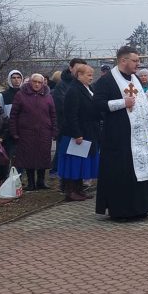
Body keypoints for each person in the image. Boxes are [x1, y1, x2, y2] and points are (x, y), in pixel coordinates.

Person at [92, 46, 148, 220]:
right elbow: (97, 104)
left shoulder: (134, 78)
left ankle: (141, 207)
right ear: (123, 61)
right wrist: (122, 103)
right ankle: (121, 211)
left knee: (139, 172)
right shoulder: (107, 81)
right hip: (118, 138)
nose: (138, 64)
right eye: (135, 61)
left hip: (139, 136)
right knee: (122, 173)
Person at [56, 64, 100, 201]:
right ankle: (70, 190)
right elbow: (71, 115)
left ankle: (79, 189)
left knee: (82, 162)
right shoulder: (73, 91)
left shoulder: (89, 88)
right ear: (79, 75)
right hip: (76, 133)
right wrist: (77, 134)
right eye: (88, 75)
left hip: (89, 130)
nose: (91, 77)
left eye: (92, 75)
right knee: (73, 163)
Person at [9, 73, 57, 191]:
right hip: (26, 132)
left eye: (39, 82)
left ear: (43, 83)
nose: (37, 84)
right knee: (28, 157)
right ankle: (31, 183)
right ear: (30, 82)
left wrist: (54, 130)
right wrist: (14, 131)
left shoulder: (48, 96)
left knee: (43, 156)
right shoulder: (21, 95)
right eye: (34, 81)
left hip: (44, 132)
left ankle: (41, 181)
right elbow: (13, 115)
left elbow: (53, 114)